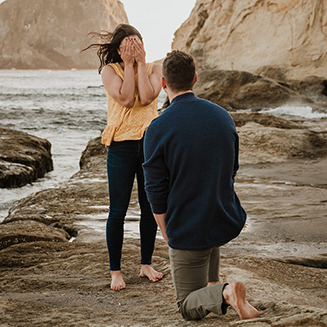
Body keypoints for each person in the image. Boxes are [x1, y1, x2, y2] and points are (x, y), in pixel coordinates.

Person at [143, 50, 259, 321]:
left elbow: (155, 190)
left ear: (163, 84)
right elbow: (231, 169)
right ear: (195, 79)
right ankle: (214, 286)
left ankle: (226, 293)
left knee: (186, 306)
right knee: (205, 273)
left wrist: (165, 230)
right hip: (222, 217)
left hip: (189, 225)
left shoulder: (158, 128)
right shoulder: (222, 116)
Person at [85, 24, 163, 290]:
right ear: (118, 49)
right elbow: (128, 99)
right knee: (117, 210)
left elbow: (149, 95)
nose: (133, 46)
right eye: (128, 43)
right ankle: (115, 271)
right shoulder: (110, 71)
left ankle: (145, 264)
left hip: (150, 145)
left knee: (149, 207)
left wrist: (141, 62)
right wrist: (128, 64)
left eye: (137, 41)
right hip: (120, 146)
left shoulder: (155, 68)